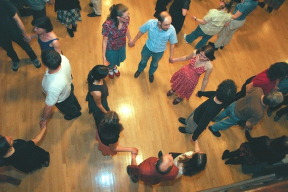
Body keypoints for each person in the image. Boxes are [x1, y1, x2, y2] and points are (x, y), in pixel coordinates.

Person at [208, 88, 283, 137]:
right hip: (237, 116)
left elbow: (247, 90)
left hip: (235, 104)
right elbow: (248, 123)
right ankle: (213, 128)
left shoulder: (258, 90)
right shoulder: (260, 113)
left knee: (224, 113)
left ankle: (214, 119)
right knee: (226, 123)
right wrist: (250, 128)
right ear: (272, 105)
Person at [130, 11, 178, 83]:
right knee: (143, 61)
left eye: (169, 24)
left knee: (154, 64)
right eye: (166, 25)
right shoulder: (150, 23)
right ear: (159, 22)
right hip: (147, 48)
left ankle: (151, 74)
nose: (168, 27)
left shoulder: (172, 30)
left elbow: (172, 44)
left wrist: (171, 56)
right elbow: (141, 32)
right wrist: (134, 41)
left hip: (159, 52)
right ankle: (140, 70)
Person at [39, 50, 81, 129]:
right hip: (69, 86)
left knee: (69, 108)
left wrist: (43, 119)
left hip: (63, 100)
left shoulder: (53, 86)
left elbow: (49, 106)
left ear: (44, 64)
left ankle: (75, 114)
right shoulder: (63, 58)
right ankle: (78, 108)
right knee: (73, 99)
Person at [0, 0, 41, 72]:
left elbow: (17, 19)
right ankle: (15, 60)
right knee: (9, 50)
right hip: (1, 36)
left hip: (14, 31)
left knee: (25, 45)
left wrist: (25, 34)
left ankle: (33, 58)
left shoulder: (4, 2)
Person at [222, 130, 288, 166]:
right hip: (254, 159)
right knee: (240, 161)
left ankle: (225, 156)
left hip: (247, 149)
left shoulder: (265, 139)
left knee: (236, 153)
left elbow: (250, 139)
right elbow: (270, 162)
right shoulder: (281, 155)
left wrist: (247, 131)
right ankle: (229, 162)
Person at [102, 4, 131, 79]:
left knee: (118, 59)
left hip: (121, 45)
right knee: (110, 60)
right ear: (118, 17)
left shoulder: (126, 19)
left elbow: (126, 29)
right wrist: (104, 56)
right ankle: (110, 69)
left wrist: (130, 38)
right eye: (125, 17)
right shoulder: (107, 25)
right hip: (111, 47)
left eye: (128, 15)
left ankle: (114, 67)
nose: (127, 18)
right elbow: (104, 41)